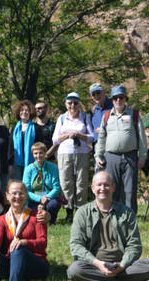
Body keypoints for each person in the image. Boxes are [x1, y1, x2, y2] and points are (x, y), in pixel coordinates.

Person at [67, 171, 149, 281]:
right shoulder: (82, 213)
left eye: (106, 185)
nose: (102, 188)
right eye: (99, 185)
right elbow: (76, 245)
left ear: (113, 188)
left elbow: (134, 246)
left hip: (121, 266)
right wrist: (98, 264)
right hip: (94, 265)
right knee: (74, 270)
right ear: (93, 188)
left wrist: (122, 265)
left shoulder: (127, 213)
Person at [95, 85, 146, 213]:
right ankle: (114, 213)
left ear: (125, 99)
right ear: (112, 100)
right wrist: (98, 155)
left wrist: (142, 156)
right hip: (111, 156)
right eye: (115, 98)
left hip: (130, 156)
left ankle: (130, 215)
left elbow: (142, 137)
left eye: (121, 97)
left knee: (130, 188)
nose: (118, 100)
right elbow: (101, 137)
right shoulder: (107, 115)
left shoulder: (134, 114)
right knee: (112, 187)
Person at [48, 92, 94, 222]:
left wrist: (79, 134)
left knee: (81, 182)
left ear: (79, 104)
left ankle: (80, 211)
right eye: (70, 103)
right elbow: (55, 139)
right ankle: (69, 211)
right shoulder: (61, 118)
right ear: (66, 104)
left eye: (75, 103)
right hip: (64, 153)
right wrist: (68, 135)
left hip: (82, 153)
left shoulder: (85, 117)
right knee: (66, 182)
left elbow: (92, 137)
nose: (72, 105)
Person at [23, 142, 61, 224]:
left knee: (54, 204)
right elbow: (26, 190)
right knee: (33, 211)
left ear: (45, 153)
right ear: (33, 154)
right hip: (33, 198)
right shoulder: (28, 169)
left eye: (41, 153)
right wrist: (39, 199)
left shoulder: (53, 167)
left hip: (49, 198)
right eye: (35, 153)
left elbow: (56, 187)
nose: (38, 155)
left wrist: (46, 198)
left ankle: (52, 220)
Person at [9, 99, 42, 180]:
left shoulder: (36, 128)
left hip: (33, 162)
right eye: (22, 110)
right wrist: (10, 164)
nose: (24, 112)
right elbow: (10, 146)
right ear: (18, 112)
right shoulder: (14, 128)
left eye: (27, 110)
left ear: (30, 112)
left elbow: (40, 145)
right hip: (17, 164)